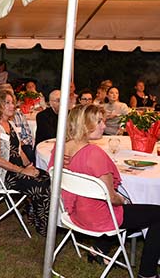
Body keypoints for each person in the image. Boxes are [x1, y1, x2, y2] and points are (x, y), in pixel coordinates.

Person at [47, 104, 160, 278]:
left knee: (131, 209)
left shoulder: (59, 148)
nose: (104, 126)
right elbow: (111, 197)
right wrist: (123, 200)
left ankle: (99, 249)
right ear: (83, 124)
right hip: (98, 219)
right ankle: (147, 273)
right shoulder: (94, 154)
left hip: (73, 213)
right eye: (99, 121)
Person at [0, 89, 50, 236]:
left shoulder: (10, 124)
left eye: (12, 102)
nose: (12, 106)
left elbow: (18, 150)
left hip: (16, 170)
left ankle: (35, 214)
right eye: (7, 103)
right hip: (4, 176)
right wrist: (22, 171)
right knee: (39, 184)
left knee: (45, 176)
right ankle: (43, 226)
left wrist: (28, 165)